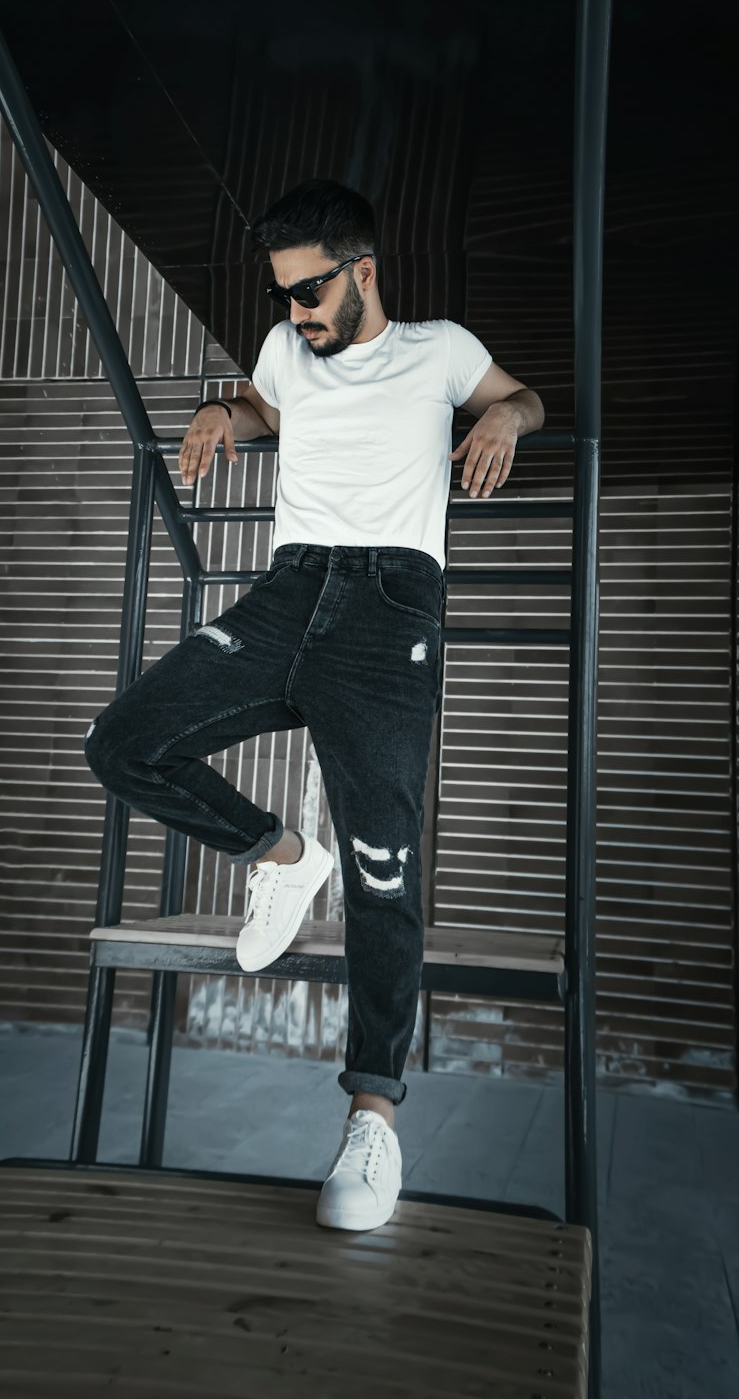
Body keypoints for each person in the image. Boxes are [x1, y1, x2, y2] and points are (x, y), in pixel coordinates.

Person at [84, 178, 544, 1232]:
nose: (294, 314)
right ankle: (283, 858)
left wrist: (507, 421)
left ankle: (373, 1119)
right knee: (121, 741)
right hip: (289, 592)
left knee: (386, 872)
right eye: (284, 295)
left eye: (309, 292)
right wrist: (218, 405)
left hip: (391, 606)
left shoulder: (438, 350)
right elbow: (259, 406)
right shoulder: (287, 347)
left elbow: (524, 398)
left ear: (362, 274)